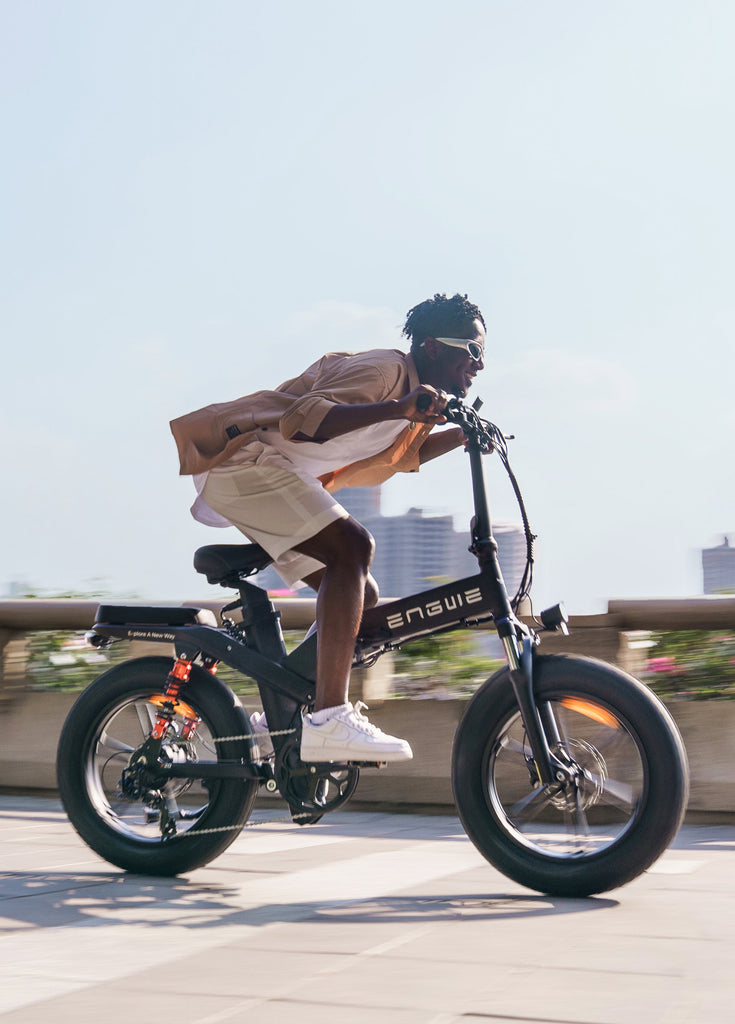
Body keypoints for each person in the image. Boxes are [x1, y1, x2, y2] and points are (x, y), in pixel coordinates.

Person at [170, 292, 486, 763]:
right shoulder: (385, 372)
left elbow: (404, 456)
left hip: (277, 475)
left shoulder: (414, 396)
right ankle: (329, 717)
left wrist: (460, 434)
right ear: (435, 347)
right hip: (246, 463)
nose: (479, 366)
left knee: (363, 596)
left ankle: (282, 715)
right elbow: (304, 419)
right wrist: (398, 407)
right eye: (473, 351)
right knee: (353, 548)